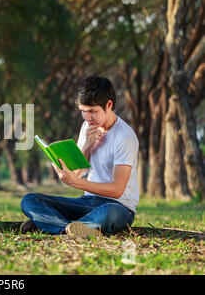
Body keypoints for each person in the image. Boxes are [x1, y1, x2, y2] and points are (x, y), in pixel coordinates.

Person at [20, 76, 139, 237]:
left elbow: (117, 190)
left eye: (93, 112)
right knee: (30, 200)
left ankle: (50, 224)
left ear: (109, 105)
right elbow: (77, 173)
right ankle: (72, 229)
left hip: (118, 206)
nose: (88, 118)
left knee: (109, 213)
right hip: (87, 203)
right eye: (83, 112)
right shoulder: (87, 127)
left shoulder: (124, 136)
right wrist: (87, 147)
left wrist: (78, 183)